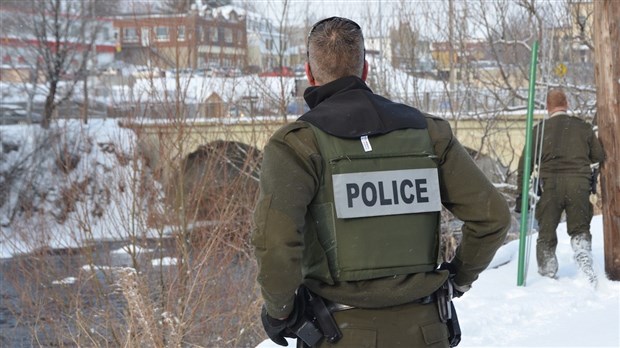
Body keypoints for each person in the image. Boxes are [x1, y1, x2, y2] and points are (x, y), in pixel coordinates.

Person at [252, 17, 510, 347]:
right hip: (427, 329)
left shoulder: (297, 145)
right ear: (365, 69)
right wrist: (456, 279)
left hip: (340, 332)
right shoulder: (428, 133)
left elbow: (275, 240)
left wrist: (280, 311)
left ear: (309, 73)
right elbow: (493, 217)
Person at [516, 88, 604, 284]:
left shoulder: (539, 130)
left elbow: (525, 165)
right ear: (567, 105)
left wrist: (521, 194)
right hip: (578, 184)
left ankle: (547, 271)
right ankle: (584, 261)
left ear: (548, 107)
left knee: (546, 230)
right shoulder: (583, 128)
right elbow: (598, 156)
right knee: (580, 227)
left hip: (551, 186)